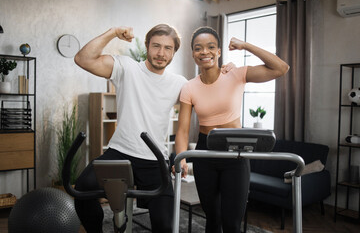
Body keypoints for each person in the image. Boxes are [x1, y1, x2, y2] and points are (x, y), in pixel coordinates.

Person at [74, 24, 187, 233]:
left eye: (168, 48)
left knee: (165, 224)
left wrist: (225, 70)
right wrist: (112, 33)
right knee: (82, 188)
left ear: (174, 52)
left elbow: (208, 94)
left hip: (155, 159)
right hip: (120, 151)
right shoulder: (127, 67)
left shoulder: (179, 83)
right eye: (156, 46)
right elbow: (83, 59)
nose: (161, 53)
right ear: (147, 46)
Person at [174, 26, 289, 233]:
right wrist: (181, 158)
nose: (204, 52)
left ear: (219, 51)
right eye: (198, 48)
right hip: (204, 153)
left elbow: (281, 68)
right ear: (193, 54)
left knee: (232, 223)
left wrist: (245, 45)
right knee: (212, 219)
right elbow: (182, 130)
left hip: (236, 153)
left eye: (211, 47)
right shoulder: (189, 87)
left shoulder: (236, 74)